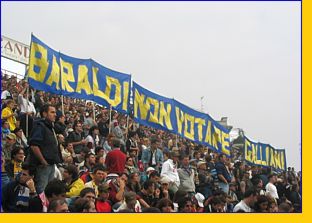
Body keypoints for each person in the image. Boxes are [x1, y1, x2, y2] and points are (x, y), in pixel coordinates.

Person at [28, 104, 62, 194]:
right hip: (43, 166)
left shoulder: (50, 127)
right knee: (41, 191)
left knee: (48, 192)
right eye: (52, 112)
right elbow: (34, 145)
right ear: (44, 114)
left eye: (55, 112)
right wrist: (43, 161)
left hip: (50, 164)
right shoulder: (40, 125)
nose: (55, 114)